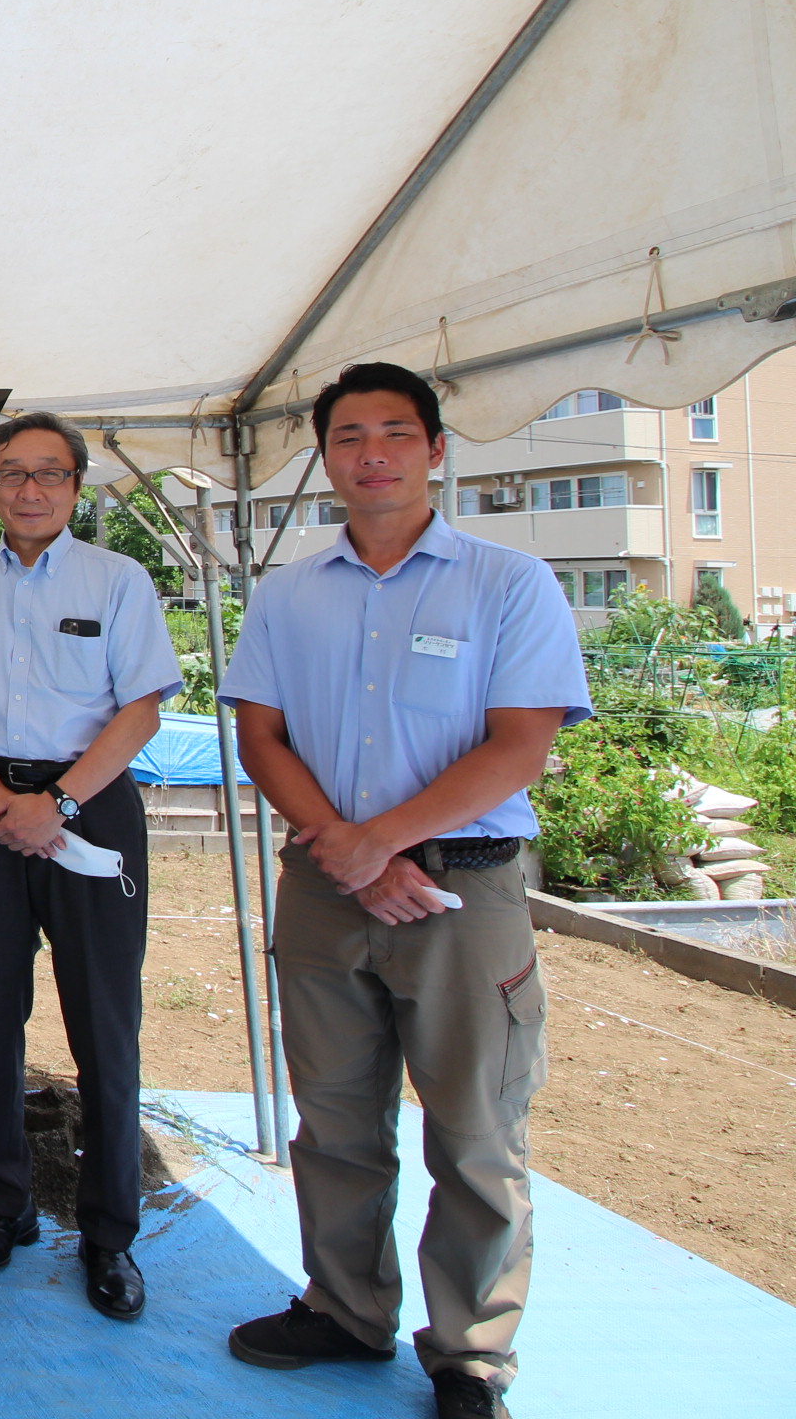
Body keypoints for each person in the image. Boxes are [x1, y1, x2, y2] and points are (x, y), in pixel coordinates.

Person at [219, 363, 588, 1419]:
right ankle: (346, 1307)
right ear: (326, 457)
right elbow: (260, 735)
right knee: (334, 1117)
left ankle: (469, 1351)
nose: (368, 451)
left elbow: (520, 748)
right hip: (328, 889)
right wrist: (351, 854)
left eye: (391, 432)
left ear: (433, 448)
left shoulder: (507, 583)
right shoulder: (288, 594)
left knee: (474, 1128)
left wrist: (378, 844)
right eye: (346, 436)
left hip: (465, 897)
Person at [0, 410, 180, 1322]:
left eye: (49, 474)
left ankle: (108, 1234)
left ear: (76, 485)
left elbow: (140, 706)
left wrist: (54, 804)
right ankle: (2, 1205)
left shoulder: (119, 580)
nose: (29, 489)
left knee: (104, 1020)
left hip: (88, 812)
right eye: (12, 473)